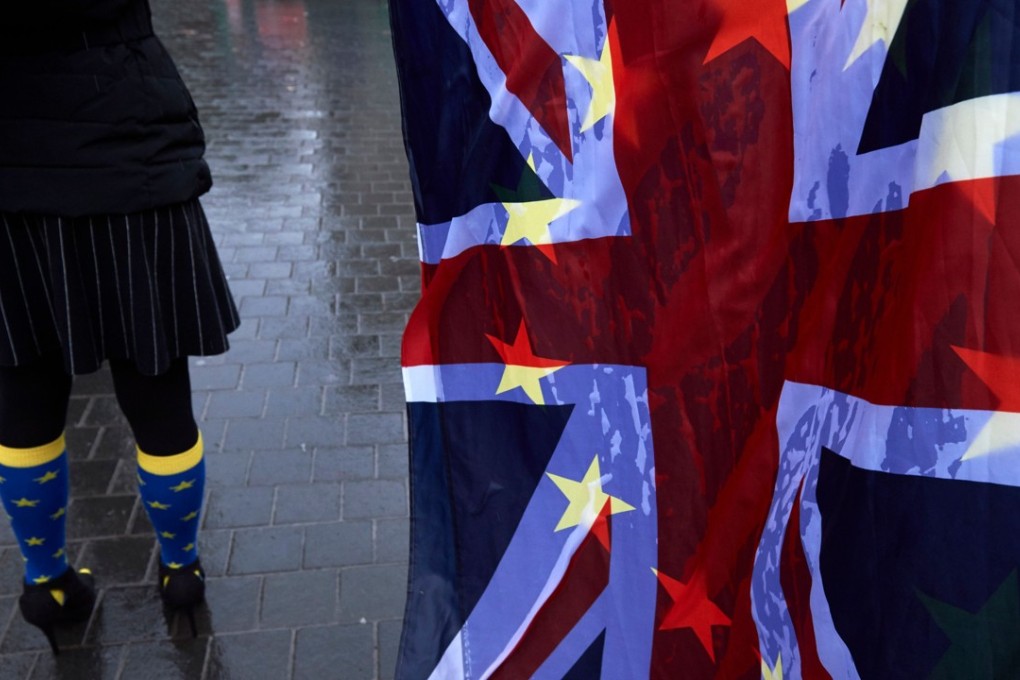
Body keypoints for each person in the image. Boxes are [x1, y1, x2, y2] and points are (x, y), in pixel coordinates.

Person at [0, 0, 239, 652]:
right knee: (156, 392)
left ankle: (47, 583)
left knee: (21, 395)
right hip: (124, 147)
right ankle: (180, 572)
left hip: (9, 170)